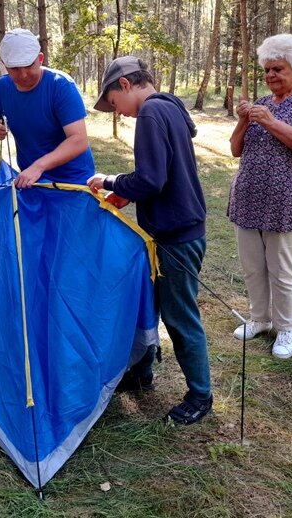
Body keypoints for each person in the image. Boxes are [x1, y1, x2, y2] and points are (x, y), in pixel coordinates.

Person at [87, 56, 212, 426]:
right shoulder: (169, 107)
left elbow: (151, 180)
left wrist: (110, 181)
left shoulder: (151, 115)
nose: (118, 113)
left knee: (179, 316)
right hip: (168, 231)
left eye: (113, 103)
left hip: (176, 237)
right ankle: (141, 373)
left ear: (125, 85)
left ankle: (200, 395)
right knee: (147, 303)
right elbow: (161, 176)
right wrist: (128, 193)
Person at [228, 34, 292, 359]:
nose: (271, 75)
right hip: (249, 199)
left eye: (278, 69)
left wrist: (270, 122)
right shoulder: (262, 103)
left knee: (282, 270)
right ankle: (260, 318)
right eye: (267, 70)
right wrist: (244, 120)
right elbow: (235, 150)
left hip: (287, 203)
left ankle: (287, 328)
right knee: (253, 268)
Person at [0, 28, 95, 187]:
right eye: (15, 68)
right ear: (4, 65)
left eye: (29, 65)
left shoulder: (61, 85)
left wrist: (39, 166)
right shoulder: (1, 87)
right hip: (32, 180)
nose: (23, 75)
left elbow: (78, 140)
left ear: (40, 58)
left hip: (72, 180)